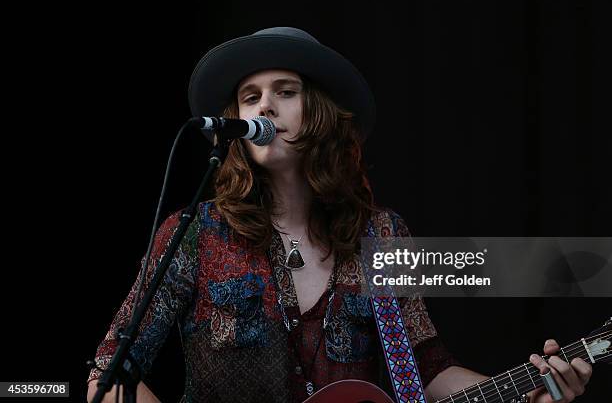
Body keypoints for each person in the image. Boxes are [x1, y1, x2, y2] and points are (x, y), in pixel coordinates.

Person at [87, 27, 592, 403]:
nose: (265, 107)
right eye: (250, 97)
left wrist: (528, 391)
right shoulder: (195, 235)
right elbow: (110, 373)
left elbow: (429, 368)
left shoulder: (382, 235)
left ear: (322, 114)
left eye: (285, 91)